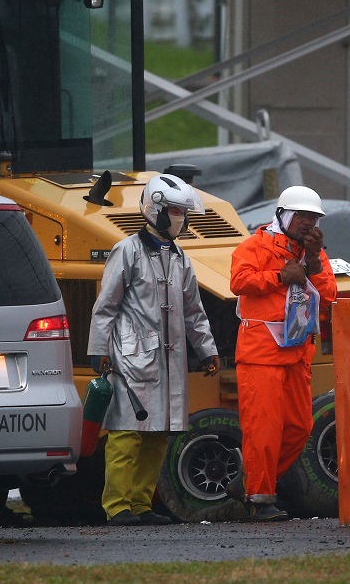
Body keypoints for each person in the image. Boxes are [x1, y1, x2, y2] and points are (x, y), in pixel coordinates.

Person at [87, 173, 220, 526]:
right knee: (126, 435)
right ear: (155, 209)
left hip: (168, 360)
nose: (181, 217)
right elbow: (106, 306)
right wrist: (98, 349)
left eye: (182, 211)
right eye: (175, 209)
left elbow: (194, 310)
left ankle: (142, 504)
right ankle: (117, 507)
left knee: (159, 433)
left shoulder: (180, 258)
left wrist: (207, 349)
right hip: (131, 359)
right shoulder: (126, 251)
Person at [228, 185, 337, 521]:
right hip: (261, 352)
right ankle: (259, 498)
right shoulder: (255, 245)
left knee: (299, 428)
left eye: (314, 218)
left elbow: (330, 294)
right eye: (301, 216)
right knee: (263, 428)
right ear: (284, 215)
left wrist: (314, 260)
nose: (308, 223)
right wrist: (279, 275)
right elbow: (238, 281)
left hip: (297, 353)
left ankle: (250, 481)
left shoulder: (313, 254)